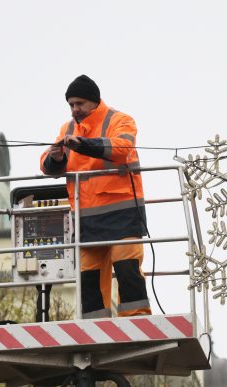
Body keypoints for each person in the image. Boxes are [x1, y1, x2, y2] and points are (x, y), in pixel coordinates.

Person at [40, 74, 151, 319]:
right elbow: (47, 166)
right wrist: (56, 157)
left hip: (121, 214)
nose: (74, 110)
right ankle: (94, 325)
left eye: (79, 103)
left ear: (94, 101)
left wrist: (83, 145)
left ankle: (137, 319)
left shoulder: (120, 120)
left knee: (127, 269)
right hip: (86, 220)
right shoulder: (67, 129)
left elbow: (122, 149)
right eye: (71, 105)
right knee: (88, 277)